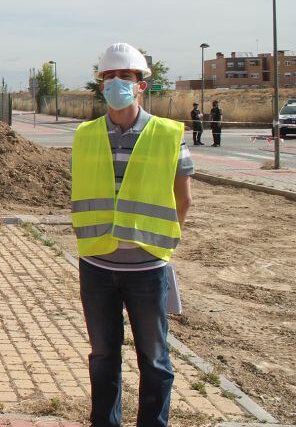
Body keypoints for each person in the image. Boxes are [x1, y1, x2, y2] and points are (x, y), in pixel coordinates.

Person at [72, 43, 194, 427]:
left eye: (126, 77)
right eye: (109, 77)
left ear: (142, 85)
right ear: (100, 85)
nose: (117, 83)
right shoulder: (86, 134)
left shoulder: (168, 134)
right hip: (96, 264)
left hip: (147, 266)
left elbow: (183, 198)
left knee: (154, 359)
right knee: (103, 356)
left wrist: (162, 244)